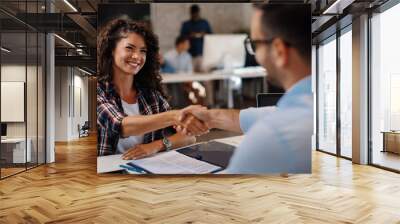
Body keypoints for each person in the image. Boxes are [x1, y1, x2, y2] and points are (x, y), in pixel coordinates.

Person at [179, 4, 312, 173]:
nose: (255, 54)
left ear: (279, 51)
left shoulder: (273, 138)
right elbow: (267, 115)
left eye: (255, 44)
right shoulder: (312, 107)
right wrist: (210, 117)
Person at [97, 19, 208, 160]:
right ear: (112, 50)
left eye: (142, 51)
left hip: (146, 172)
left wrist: (155, 146)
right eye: (129, 48)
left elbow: (189, 137)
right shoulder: (99, 91)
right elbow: (122, 126)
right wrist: (176, 116)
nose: (137, 56)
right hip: (109, 175)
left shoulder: (151, 96)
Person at [180, 4, 212, 72]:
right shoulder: (186, 24)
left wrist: (204, 35)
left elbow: (211, 36)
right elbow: (181, 38)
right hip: (190, 54)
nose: (195, 15)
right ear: (190, 13)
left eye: (196, 13)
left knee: (205, 76)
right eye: (193, 13)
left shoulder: (204, 23)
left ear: (198, 12)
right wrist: (190, 35)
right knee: (191, 75)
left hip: (203, 53)